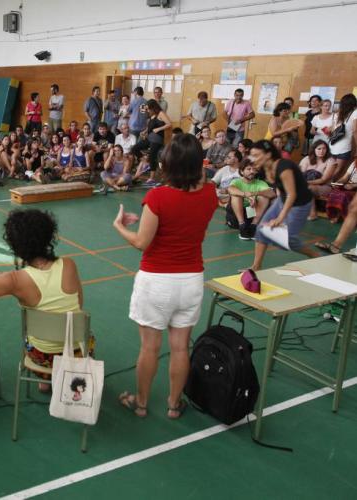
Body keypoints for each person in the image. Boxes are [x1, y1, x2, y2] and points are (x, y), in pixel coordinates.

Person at [113, 133, 218, 419]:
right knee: (180, 347)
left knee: (150, 347)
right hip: (191, 280)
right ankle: (174, 404)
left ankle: (141, 403)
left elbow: (141, 242)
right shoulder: (210, 194)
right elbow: (189, 217)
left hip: (157, 281)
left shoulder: (157, 197)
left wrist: (120, 226)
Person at [0, 209, 84, 391]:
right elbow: (79, 304)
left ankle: (45, 377)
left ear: (15, 244)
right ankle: (55, 376)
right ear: (49, 236)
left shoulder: (15, 279)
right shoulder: (69, 264)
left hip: (42, 357)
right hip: (77, 353)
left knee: (37, 341)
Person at [248, 140, 321, 270]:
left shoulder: (284, 167)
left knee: (288, 239)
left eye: (256, 155)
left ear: (268, 155)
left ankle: (314, 255)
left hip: (300, 203)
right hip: (282, 199)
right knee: (260, 230)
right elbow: (279, 188)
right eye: (251, 155)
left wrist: (280, 218)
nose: (252, 159)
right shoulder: (264, 167)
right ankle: (256, 266)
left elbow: (291, 194)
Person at [227, 160, 276, 240]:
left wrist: (254, 193)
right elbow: (230, 189)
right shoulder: (236, 181)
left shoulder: (260, 183)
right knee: (236, 195)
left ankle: (254, 225)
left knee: (264, 196)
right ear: (242, 171)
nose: (252, 171)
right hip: (236, 217)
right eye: (248, 169)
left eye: (254, 169)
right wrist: (245, 194)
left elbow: (272, 193)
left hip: (251, 214)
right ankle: (242, 226)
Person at [131, 99, 172, 186]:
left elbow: (169, 124)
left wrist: (159, 129)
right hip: (149, 138)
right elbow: (150, 127)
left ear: (153, 108)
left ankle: (152, 178)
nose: (147, 111)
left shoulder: (161, 113)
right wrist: (144, 131)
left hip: (157, 140)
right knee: (134, 148)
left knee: (152, 156)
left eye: (148, 109)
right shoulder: (151, 116)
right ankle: (146, 162)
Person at [299, 139, 338, 219]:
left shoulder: (331, 161)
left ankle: (313, 214)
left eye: (324, 148)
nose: (321, 151)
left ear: (327, 150)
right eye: (319, 149)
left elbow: (323, 180)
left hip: (325, 186)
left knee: (308, 188)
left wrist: (306, 183)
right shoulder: (307, 159)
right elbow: (300, 175)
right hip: (306, 184)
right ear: (314, 150)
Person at [329, 93, 357, 180]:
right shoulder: (355, 113)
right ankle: (327, 184)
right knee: (338, 170)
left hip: (332, 145)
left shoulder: (337, 114)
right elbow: (355, 130)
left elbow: (332, 130)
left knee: (330, 169)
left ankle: (325, 182)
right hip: (344, 148)